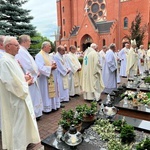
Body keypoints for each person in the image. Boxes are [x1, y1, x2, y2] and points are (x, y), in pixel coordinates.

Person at [0, 36, 40, 150]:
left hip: (19, 97)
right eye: (16, 45)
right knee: (17, 124)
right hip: (14, 100)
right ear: (8, 46)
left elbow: (16, 78)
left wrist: (24, 77)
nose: (19, 48)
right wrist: (26, 83)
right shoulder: (4, 61)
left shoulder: (11, 59)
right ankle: (17, 147)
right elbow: (10, 83)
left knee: (22, 124)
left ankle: (24, 143)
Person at [15, 35, 43, 119]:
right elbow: (27, 65)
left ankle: (37, 113)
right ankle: (34, 114)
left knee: (35, 96)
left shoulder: (24, 51)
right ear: (24, 42)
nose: (30, 43)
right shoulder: (21, 51)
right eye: (29, 41)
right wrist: (35, 73)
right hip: (29, 78)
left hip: (32, 77)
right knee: (32, 96)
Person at [35, 41, 60, 113]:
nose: (50, 48)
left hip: (51, 76)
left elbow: (52, 63)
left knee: (52, 91)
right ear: (44, 47)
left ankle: (53, 106)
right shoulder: (39, 55)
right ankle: (47, 108)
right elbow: (40, 67)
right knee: (45, 92)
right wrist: (50, 68)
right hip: (44, 79)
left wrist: (54, 65)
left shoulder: (48, 55)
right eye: (49, 46)